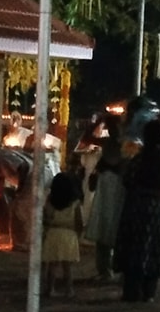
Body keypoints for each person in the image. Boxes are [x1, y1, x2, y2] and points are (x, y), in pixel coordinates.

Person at [114, 118, 160, 302]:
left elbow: (127, 179)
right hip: (158, 209)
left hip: (137, 207)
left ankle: (131, 291)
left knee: (134, 248)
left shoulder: (139, 159)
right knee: (153, 249)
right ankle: (149, 292)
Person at [83, 114, 127, 282]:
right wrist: (99, 121)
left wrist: (99, 121)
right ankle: (105, 270)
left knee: (114, 227)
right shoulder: (109, 143)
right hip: (107, 189)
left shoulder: (125, 144)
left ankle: (114, 269)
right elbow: (88, 138)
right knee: (105, 227)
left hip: (117, 189)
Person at [42, 170, 84, 298]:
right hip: (69, 235)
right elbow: (79, 222)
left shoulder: (50, 202)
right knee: (67, 267)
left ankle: (50, 289)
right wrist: (78, 235)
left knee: (53, 265)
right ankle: (69, 290)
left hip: (53, 233)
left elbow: (45, 218)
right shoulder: (75, 204)